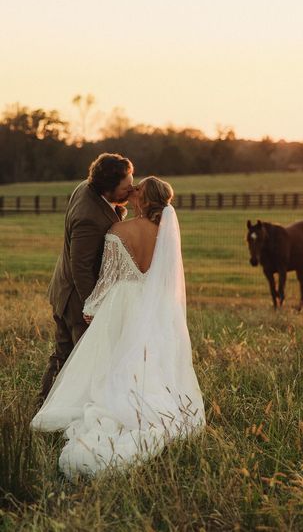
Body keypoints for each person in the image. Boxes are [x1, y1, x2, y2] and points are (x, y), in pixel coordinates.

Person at [31, 177, 205, 478]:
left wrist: (90, 308)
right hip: (152, 306)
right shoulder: (165, 235)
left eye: (137, 189)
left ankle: (108, 404)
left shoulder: (118, 232)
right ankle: (146, 403)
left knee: (111, 358)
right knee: (145, 360)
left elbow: (107, 279)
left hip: (121, 303)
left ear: (144, 199)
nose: (131, 190)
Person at [39, 153, 134, 403]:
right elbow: (80, 267)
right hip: (75, 300)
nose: (131, 190)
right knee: (79, 358)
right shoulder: (89, 218)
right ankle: (55, 406)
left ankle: (46, 404)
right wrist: (93, 308)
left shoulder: (86, 187)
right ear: (108, 187)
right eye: (126, 187)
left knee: (64, 354)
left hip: (64, 288)